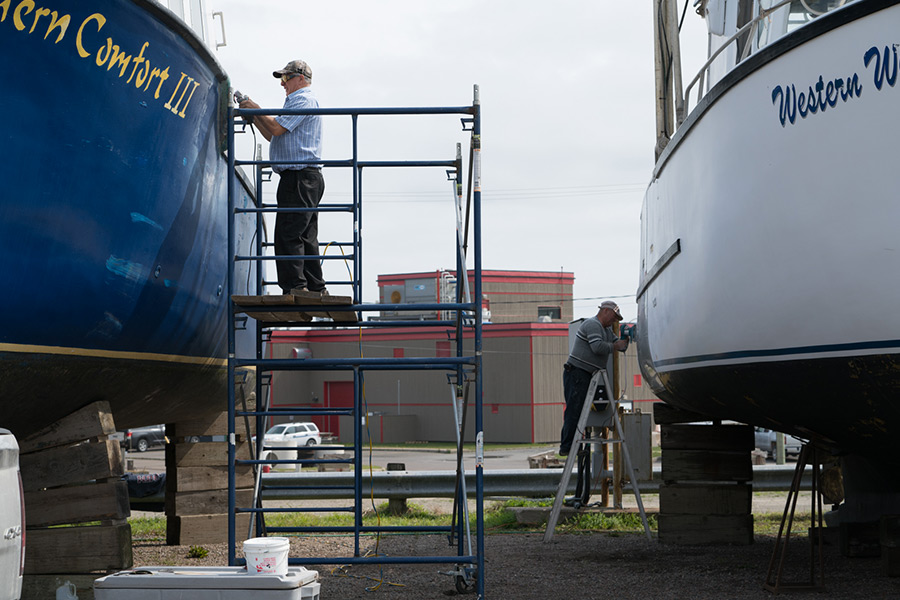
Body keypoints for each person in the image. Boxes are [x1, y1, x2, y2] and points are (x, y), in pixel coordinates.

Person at [239, 60, 326, 295]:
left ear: (300, 78)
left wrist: (254, 109)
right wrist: (256, 117)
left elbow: (276, 129)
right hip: (305, 177)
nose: (282, 83)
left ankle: (296, 287)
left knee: (289, 233)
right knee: (305, 235)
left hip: (299, 176)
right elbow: (273, 135)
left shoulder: (302, 99)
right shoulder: (299, 100)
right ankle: (315, 287)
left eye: (286, 78)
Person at [559, 300, 629, 456]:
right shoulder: (593, 325)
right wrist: (616, 346)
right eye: (614, 316)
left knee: (579, 410)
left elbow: (617, 344)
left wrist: (625, 339)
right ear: (605, 311)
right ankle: (567, 446)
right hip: (577, 373)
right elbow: (597, 347)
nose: (614, 320)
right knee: (574, 410)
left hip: (585, 374)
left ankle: (572, 446)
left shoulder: (606, 329)